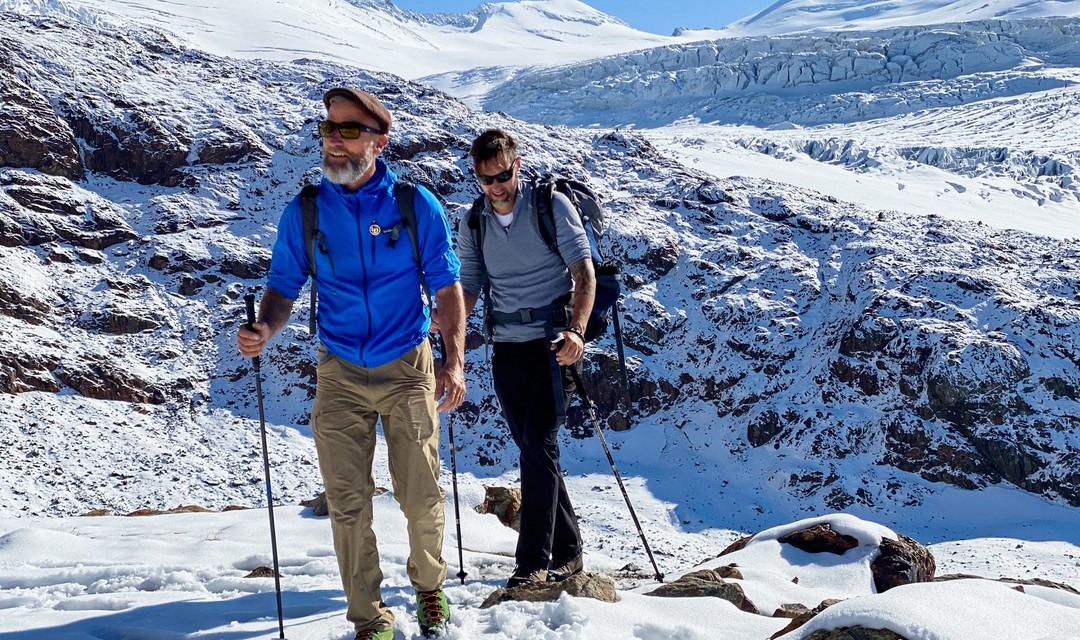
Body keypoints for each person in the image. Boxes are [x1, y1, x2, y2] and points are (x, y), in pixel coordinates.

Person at [237, 87, 466, 640]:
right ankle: (370, 619)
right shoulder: (308, 209)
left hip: (407, 366)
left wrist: (453, 362)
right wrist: (265, 327)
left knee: (420, 495)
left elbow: (447, 285)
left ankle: (429, 588)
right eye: (328, 129)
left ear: (379, 141)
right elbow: (283, 285)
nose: (334, 141)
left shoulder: (414, 204)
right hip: (338, 371)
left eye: (348, 130)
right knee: (346, 503)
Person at [455, 128, 595, 587]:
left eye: (501, 176)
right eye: (484, 179)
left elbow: (583, 271)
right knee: (535, 453)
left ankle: (532, 562)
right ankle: (570, 551)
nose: (495, 187)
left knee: (538, 446)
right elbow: (469, 287)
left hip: (554, 346)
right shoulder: (473, 221)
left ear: (517, 166)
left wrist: (576, 331)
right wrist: (442, 323)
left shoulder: (550, 206)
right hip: (506, 349)